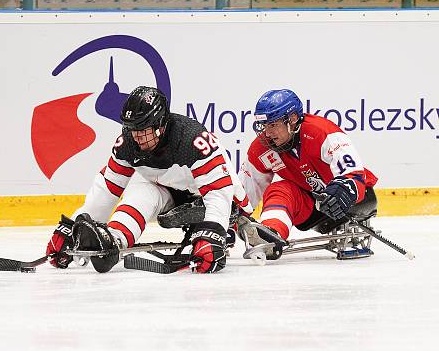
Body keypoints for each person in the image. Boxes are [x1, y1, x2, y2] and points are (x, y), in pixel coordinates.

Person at [46, 86, 253, 273]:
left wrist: (215, 230)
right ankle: (114, 241)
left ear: (161, 124)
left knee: (225, 208)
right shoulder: (127, 142)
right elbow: (107, 189)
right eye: (132, 128)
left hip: (206, 194)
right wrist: (74, 228)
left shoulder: (192, 138)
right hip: (165, 188)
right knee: (139, 191)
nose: (137, 137)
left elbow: (219, 189)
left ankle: (234, 226)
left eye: (143, 129)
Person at [237, 89, 379, 259]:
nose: (267, 133)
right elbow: (244, 195)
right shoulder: (261, 149)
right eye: (264, 126)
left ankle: (337, 193)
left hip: (354, 199)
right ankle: (271, 235)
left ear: (293, 119)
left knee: (339, 189)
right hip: (314, 207)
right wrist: (225, 227)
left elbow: (353, 173)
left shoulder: (322, 131)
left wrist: (343, 189)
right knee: (280, 188)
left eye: (273, 125)